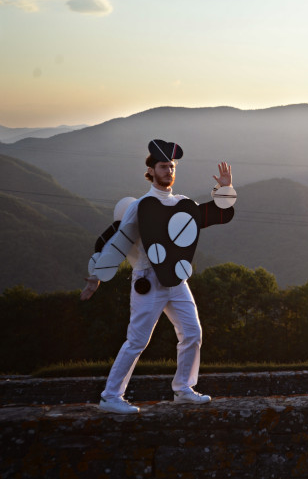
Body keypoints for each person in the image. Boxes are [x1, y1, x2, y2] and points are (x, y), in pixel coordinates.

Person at [81, 139, 236, 414]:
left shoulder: (182, 203)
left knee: (192, 333)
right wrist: (96, 276)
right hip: (148, 281)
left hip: (177, 280)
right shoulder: (141, 206)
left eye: (172, 166)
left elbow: (217, 214)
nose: (169, 170)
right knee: (137, 340)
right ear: (150, 171)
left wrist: (224, 188)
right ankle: (110, 396)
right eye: (163, 166)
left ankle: (183, 389)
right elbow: (119, 241)